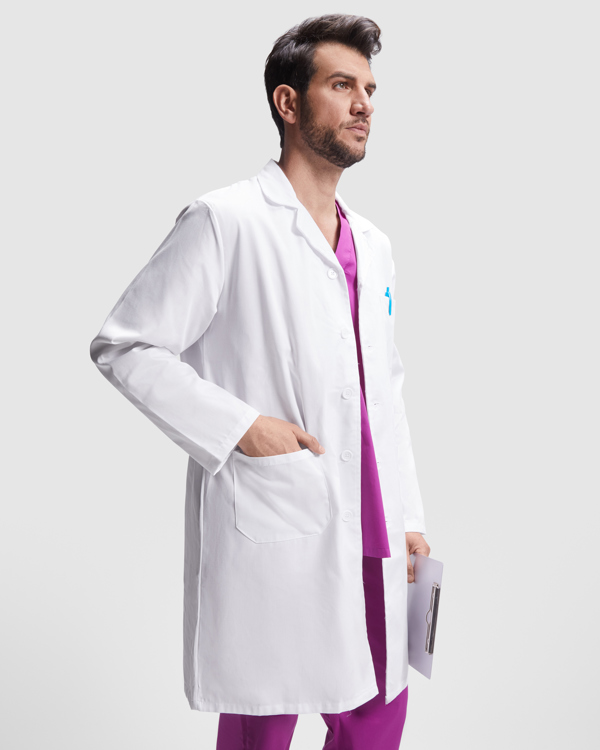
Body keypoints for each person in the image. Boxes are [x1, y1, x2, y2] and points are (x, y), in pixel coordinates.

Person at [90, 12, 430, 750]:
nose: (364, 104)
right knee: (262, 725)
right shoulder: (226, 220)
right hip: (280, 518)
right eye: (342, 85)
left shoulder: (374, 245)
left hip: (375, 527)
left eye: (370, 89)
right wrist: (241, 427)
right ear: (288, 101)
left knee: (378, 717)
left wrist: (409, 514)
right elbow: (126, 345)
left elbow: (386, 387)